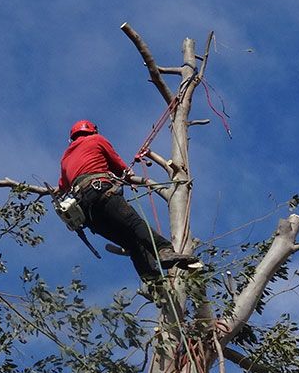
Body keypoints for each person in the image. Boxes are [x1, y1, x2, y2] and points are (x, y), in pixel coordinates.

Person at [58, 120, 200, 284]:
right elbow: (117, 164)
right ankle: (163, 250)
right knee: (134, 224)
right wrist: (129, 174)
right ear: (92, 130)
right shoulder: (96, 140)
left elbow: (63, 185)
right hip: (101, 192)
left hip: (86, 213)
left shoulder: (65, 156)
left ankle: (153, 282)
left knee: (132, 242)